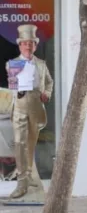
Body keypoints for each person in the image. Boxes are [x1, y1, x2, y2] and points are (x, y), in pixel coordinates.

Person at [4, 25, 53, 201]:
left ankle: (31, 176)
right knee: (19, 143)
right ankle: (21, 182)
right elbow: (12, 87)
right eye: (24, 43)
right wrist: (15, 85)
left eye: (30, 43)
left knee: (31, 143)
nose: (27, 46)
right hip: (19, 107)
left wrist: (47, 94)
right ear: (20, 45)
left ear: (35, 45)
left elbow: (49, 82)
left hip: (36, 106)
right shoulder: (12, 64)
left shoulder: (41, 64)